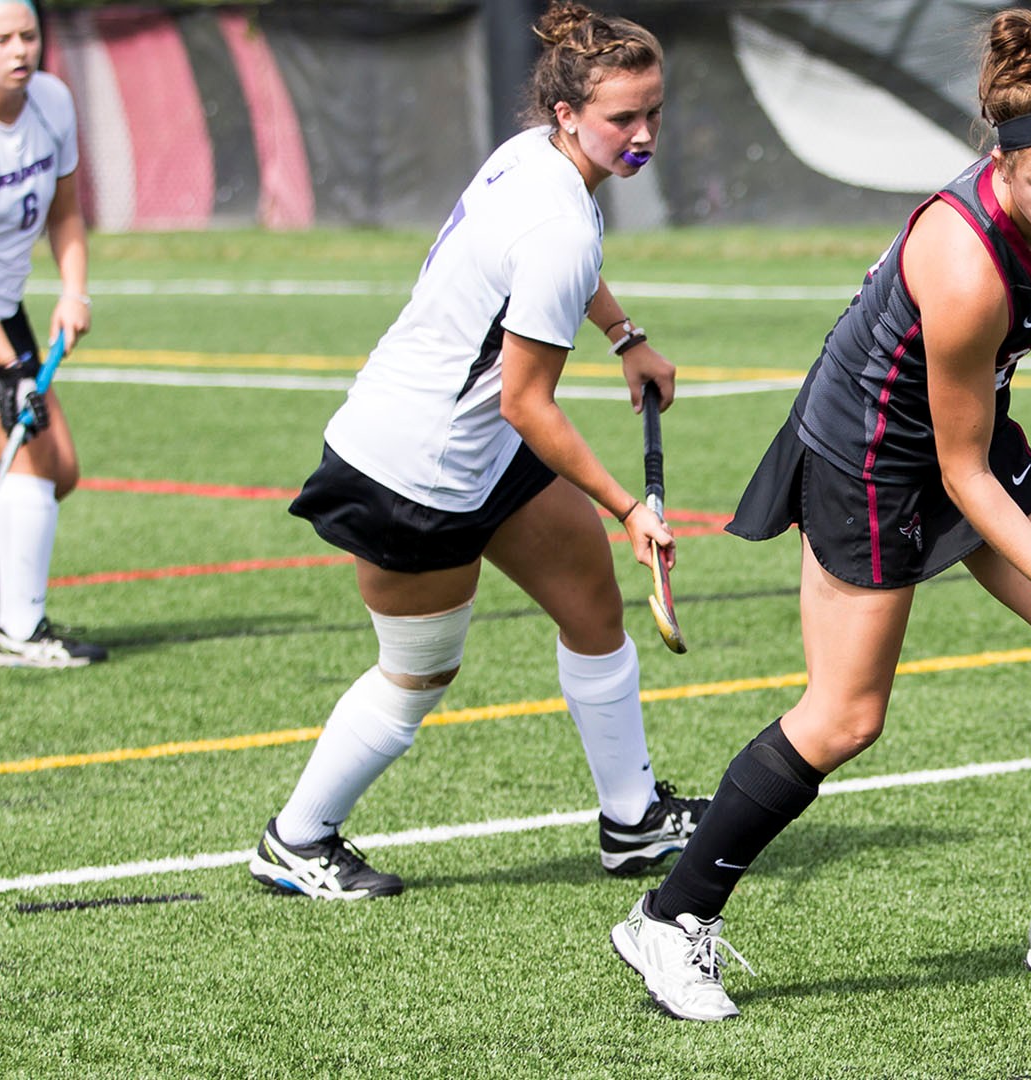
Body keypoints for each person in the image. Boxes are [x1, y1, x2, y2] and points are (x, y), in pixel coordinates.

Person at [610, 8, 1031, 1021]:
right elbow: (964, 474)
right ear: (1002, 165)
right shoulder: (966, 267)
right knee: (846, 717)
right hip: (871, 457)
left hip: (962, 431)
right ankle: (669, 920)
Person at [248, 3, 706, 900]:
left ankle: (633, 822)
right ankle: (296, 839)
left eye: (654, 112)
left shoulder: (533, 159)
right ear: (569, 114)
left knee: (591, 605)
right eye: (624, 118)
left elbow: (566, 282)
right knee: (419, 673)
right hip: (412, 470)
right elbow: (532, 403)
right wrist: (629, 508)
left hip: (480, 448)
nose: (644, 133)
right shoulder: (558, 222)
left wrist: (625, 336)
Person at [0, 0, 102, 668]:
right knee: (30, 470)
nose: (21, 49)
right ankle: (17, 635)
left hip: (3, 309)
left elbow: (68, 212)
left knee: (60, 471)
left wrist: (72, 290)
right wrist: (8, 366)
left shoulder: (51, 101)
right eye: (2, 39)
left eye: (29, 35)